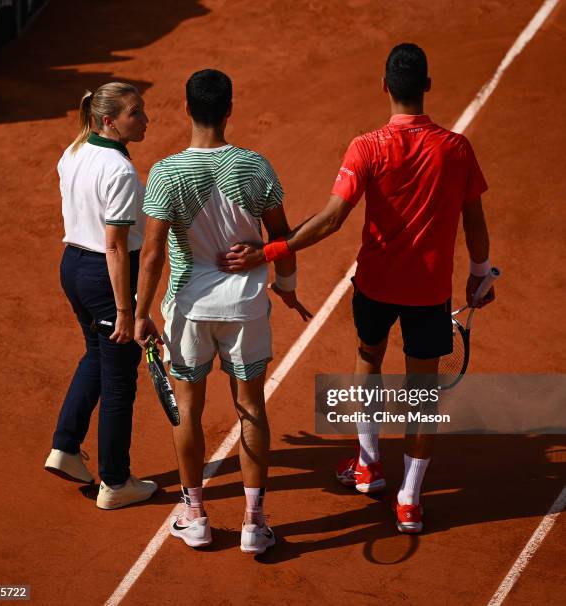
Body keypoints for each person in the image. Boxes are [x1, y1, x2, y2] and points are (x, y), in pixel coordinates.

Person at [219, 43, 495, 533]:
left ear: (385, 85)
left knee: (368, 357)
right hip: (429, 293)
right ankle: (409, 499)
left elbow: (329, 221)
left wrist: (268, 251)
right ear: (427, 86)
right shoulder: (456, 149)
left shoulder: (367, 147)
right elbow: (474, 222)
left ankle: (368, 465)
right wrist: (480, 272)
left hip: (375, 286)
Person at [134, 69, 310, 553]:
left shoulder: (166, 173)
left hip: (188, 310)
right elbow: (282, 238)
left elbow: (151, 254)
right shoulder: (254, 166)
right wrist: (288, 287)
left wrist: (139, 313)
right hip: (245, 308)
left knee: (187, 411)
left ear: (187, 109)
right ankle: (254, 524)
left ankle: (195, 516)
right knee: (251, 408)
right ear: (229, 110)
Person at [44, 82, 158, 510]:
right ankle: (114, 481)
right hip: (105, 275)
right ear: (109, 120)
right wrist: (127, 310)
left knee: (96, 352)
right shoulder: (120, 172)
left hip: (72, 268)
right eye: (136, 113)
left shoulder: (72, 152)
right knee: (118, 380)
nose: (145, 119)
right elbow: (114, 246)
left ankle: (66, 447)